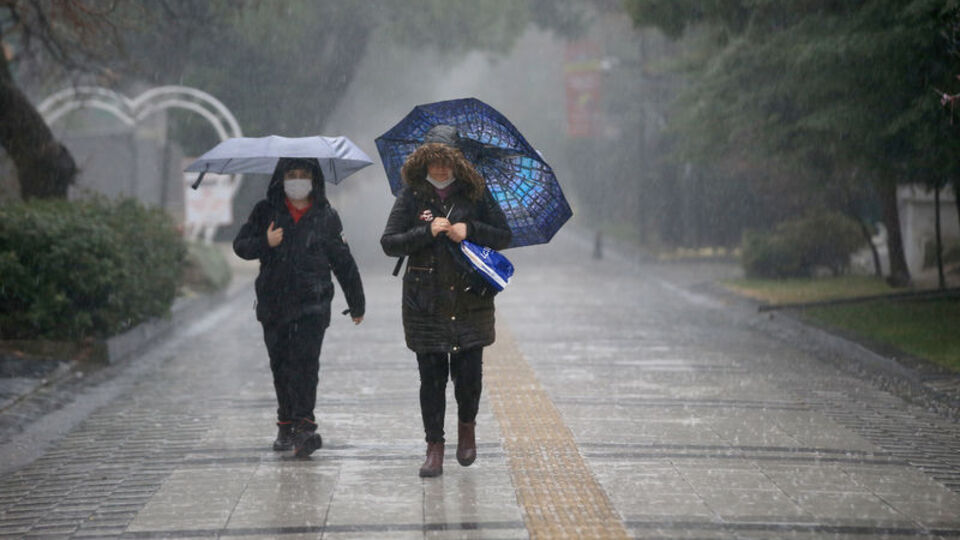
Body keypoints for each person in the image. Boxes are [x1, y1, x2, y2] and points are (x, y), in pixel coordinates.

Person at [380, 134, 511, 477]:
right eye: (433, 162)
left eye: (446, 161)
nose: (439, 169)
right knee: (431, 380)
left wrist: (470, 229)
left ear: (458, 163)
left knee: (469, 377)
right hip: (426, 304)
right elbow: (390, 243)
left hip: (471, 300)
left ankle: (467, 429)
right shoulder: (411, 196)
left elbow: (504, 236)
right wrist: (426, 231)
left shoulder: (476, 195)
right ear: (423, 163)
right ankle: (434, 447)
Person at [234, 157, 364, 458]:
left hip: (313, 305)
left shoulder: (326, 216)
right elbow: (241, 246)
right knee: (281, 365)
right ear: (281, 178)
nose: (297, 181)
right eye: (291, 174)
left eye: (304, 175)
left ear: (314, 179)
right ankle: (286, 422)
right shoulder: (265, 211)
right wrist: (265, 242)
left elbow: (343, 262)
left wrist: (356, 302)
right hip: (274, 305)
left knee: (306, 364)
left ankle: (305, 426)